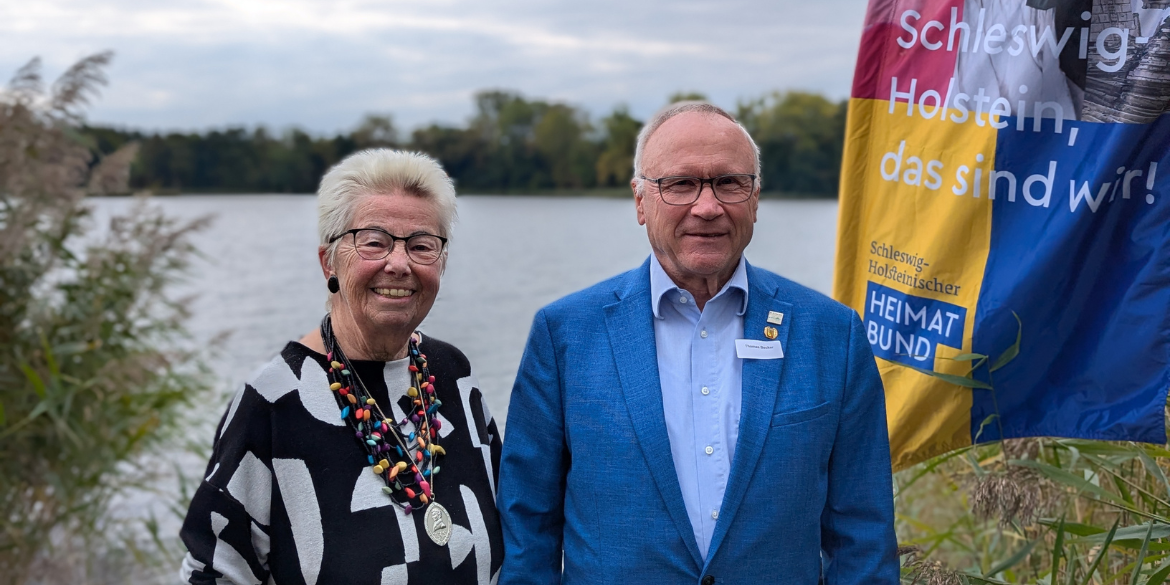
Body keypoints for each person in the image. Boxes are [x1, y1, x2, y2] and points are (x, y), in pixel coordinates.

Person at [496, 102, 898, 583]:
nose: (707, 207)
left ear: (755, 198)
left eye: (729, 183)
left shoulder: (833, 334)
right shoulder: (564, 335)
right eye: (680, 184)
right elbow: (529, 525)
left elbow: (863, 533)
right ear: (640, 201)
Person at [180, 150, 502, 584]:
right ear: (328, 260)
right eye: (374, 241)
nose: (399, 264)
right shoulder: (274, 402)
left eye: (422, 245)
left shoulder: (454, 375)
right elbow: (213, 572)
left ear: (441, 261)